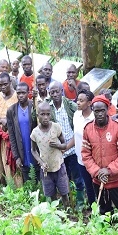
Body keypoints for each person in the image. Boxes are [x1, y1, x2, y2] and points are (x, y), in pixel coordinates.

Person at [81, 95, 118, 219]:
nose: (100, 114)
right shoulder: (88, 129)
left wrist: (109, 170)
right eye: (96, 111)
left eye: (102, 111)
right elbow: (85, 154)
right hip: (98, 180)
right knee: (104, 211)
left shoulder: (117, 127)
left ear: (108, 109)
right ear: (92, 111)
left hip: (116, 180)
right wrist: (97, 171)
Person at [39, 81, 85, 209]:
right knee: (63, 179)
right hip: (58, 151)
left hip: (72, 149)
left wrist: (67, 146)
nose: (55, 94)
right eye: (52, 92)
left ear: (62, 91)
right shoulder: (48, 107)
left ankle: (80, 202)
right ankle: (66, 203)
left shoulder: (70, 106)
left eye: (57, 91)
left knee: (77, 177)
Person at [30, 101, 70, 209]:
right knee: (52, 195)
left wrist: (58, 145)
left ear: (51, 114)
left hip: (59, 166)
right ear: (38, 116)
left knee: (64, 193)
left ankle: (68, 214)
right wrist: (41, 163)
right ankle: (56, 215)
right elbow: (33, 150)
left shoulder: (56, 127)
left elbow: (65, 145)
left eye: (48, 114)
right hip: (46, 169)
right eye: (42, 114)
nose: (45, 117)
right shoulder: (35, 133)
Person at [7, 82, 38, 183]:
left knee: (38, 175)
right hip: (22, 149)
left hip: (34, 147)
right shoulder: (11, 111)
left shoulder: (34, 106)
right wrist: (16, 157)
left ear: (28, 93)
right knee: (27, 179)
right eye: (18, 93)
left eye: (23, 93)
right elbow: (11, 135)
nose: (20, 95)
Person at [0, 72, 18, 184]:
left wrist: (8, 122)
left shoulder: (17, 96)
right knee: (6, 162)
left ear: (10, 83)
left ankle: (20, 188)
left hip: (15, 136)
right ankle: (10, 186)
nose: (3, 87)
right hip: (3, 136)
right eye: (0, 85)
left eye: (5, 84)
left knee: (15, 162)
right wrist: (2, 121)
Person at [73, 89, 96, 205]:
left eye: (81, 101)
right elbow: (75, 136)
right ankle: (93, 208)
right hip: (81, 159)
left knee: (96, 183)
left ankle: (102, 208)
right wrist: (64, 147)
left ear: (89, 103)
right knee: (88, 185)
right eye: (78, 100)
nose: (78, 103)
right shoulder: (76, 115)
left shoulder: (94, 118)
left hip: (94, 159)